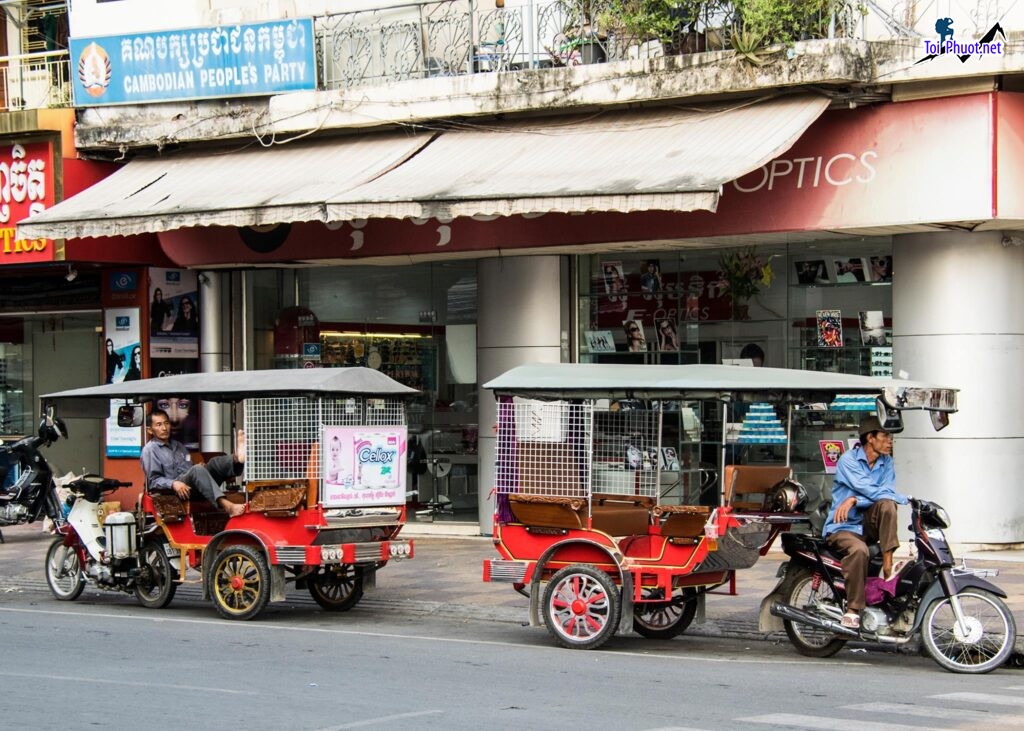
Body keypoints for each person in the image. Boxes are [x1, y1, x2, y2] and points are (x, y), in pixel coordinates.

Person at [822, 415, 908, 629]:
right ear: (870, 438)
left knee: (888, 504)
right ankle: (853, 608)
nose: (890, 441)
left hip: (868, 524)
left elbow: (886, 493)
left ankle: (888, 564)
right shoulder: (848, 460)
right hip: (843, 527)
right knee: (860, 550)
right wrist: (859, 498)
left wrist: (854, 500)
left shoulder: (886, 462)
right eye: (885, 436)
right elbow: (869, 488)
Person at [141, 408, 246, 517]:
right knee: (197, 470)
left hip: (191, 485)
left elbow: (189, 468)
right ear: (150, 430)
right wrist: (173, 484)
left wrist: (199, 469)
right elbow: (153, 480)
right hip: (174, 492)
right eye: (158, 425)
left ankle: (237, 458)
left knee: (213, 463)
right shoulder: (149, 450)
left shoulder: (179, 446)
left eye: (166, 423)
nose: (164, 428)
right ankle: (228, 507)